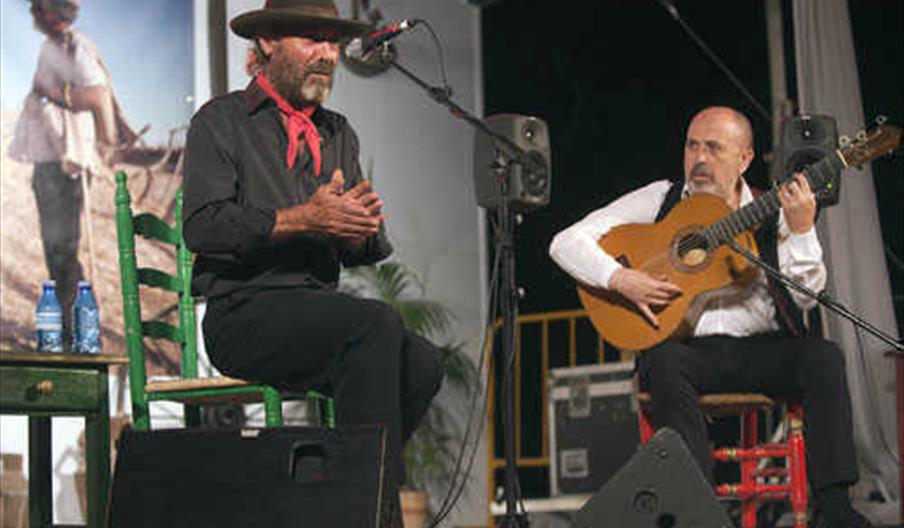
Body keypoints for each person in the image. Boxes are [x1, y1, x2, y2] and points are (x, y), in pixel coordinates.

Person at [182, 0, 444, 513]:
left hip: (316, 315)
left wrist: (357, 228)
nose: (327, 55)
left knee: (424, 365)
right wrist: (306, 218)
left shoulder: (337, 132)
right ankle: (368, 514)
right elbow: (203, 227)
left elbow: (365, 247)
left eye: (333, 43)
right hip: (242, 313)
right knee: (373, 325)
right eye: (311, 40)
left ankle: (327, 493)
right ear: (267, 44)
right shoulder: (221, 121)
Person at [549, 107, 867, 528]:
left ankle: (836, 507)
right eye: (692, 145)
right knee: (660, 363)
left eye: (714, 148)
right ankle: (698, 513)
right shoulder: (660, 199)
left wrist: (803, 229)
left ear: (745, 159)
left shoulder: (774, 207)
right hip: (687, 353)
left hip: (761, 351)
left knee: (824, 357)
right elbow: (564, 242)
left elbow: (805, 300)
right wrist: (619, 278)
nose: (699, 157)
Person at [13, 0, 118, 339]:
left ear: (56, 11)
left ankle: (77, 331)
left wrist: (56, 94)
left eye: (39, 8)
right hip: (47, 161)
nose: (34, 14)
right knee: (55, 251)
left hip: (68, 163)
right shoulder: (49, 49)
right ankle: (71, 325)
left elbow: (98, 96)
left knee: (64, 249)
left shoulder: (79, 47)